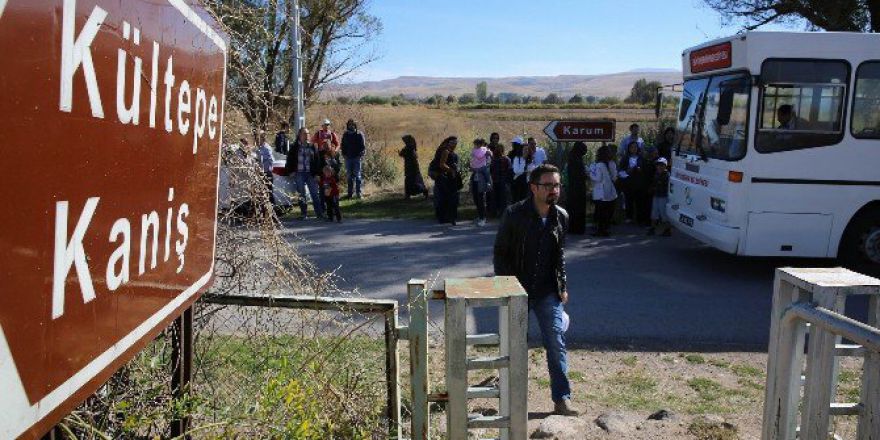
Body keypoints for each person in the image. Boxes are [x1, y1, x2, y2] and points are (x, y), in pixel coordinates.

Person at [493, 164, 579, 416]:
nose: (554, 190)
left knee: (556, 342)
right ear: (533, 188)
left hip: (547, 291)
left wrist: (562, 285)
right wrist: (507, 287)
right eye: (548, 185)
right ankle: (511, 400)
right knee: (515, 345)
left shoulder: (561, 216)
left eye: (557, 185)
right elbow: (500, 254)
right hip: (517, 291)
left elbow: (559, 255)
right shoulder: (514, 214)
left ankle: (562, 399)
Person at [285, 127, 324, 219]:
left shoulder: (313, 146)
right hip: (299, 173)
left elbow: (317, 161)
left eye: (308, 133)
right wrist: (290, 171)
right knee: (301, 195)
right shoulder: (294, 147)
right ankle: (304, 214)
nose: (307, 135)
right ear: (300, 135)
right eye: (304, 134)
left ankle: (319, 214)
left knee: (314, 194)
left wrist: (318, 174)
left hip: (311, 173)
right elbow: (289, 160)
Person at [428, 136, 461, 225]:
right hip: (445, 178)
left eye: (455, 143)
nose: (454, 144)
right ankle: (448, 217)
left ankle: (446, 217)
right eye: (452, 143)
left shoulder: (447, 151)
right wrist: (451, 170)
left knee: (444, 198)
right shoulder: (445, 151)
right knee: (448, 197)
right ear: (448, 143)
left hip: (444, 178)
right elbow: (442, 164)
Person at [589, 145, 618, 237]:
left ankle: (600, 230)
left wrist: (590, 173)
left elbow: (597, 178)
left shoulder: (599, 165)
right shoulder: (612, 163)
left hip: (600, 191)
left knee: (601, 211)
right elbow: (614, 177)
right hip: (609, 190)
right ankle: (605, 229)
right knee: (607, 211)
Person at [618, 141, 649, 225]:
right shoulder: (625, 158)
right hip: (628, 183)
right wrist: (628, 171)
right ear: (629, 148)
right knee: (629, 201)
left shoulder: (641, 158)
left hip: (639, 183)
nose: (634, 149)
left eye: (635, 147)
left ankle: (640, 219)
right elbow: (621, 170)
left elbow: (646, 170)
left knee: (640, 202)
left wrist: (640, 170)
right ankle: (629, 217)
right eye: (632, 147)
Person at [565, 142, 588, 234]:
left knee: (573, 208)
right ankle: (578, 228)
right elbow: (579, 174)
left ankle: (573, 227)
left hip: (572, 187)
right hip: (578, 187)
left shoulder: (572, 158)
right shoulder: (577, 160)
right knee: (578, 208)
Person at [340, 119, 366, 199]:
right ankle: (350, 194)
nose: (351, 126)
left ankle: (359, 193)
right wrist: (343, 154)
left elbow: (363, 146)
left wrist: (361, 155)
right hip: (348, 158)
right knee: (349, 176)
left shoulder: (359, 134)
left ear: (355, 125)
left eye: (352, 124)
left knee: (357, 175)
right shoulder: (345, 134)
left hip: (356, 158)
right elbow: (342, 145)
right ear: (347, 125)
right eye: (349, 124)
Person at [398, 134, 429, 200]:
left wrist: (401, 153)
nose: (404, 141)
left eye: (405, 140)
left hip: (411, 167)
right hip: (412, 167)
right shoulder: (410, 147)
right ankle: (411, 194)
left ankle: (420, 191)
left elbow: (402, 154)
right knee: (412, 180)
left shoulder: (409, 148)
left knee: (412, 181)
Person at [470, 138, 493, 226]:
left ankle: (483, 218)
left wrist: (487, 153)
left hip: (481, 178)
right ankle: (480, 216)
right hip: (475, 176)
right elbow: (473, 159)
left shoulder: (485, 152)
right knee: (476, 198)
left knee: (480, 199)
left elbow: (486, 164)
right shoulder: (476, 151)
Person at [489, 135, 512, 218]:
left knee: (501, 198)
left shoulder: (504, 159)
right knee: (499, 199)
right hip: (498, 181)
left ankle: (500, 214)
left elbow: (509, 171)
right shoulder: (500, 159)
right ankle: (499, 214)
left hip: (500, 181)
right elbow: (491, 170)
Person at [647, 157, 671, 236]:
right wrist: (652, 188)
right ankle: (652, 228)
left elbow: (666, 187)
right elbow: (654, 183)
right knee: (654, 212)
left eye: (662, 165)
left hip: (663, 196)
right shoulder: (656, 174)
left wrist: (656, 187)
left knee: (663, 213)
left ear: (665, 166)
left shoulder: (667, 175)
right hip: (656, 195)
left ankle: (667, 229)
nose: (659, 167)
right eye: (658, 165)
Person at [257, 132, 276, 207]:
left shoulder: (266, 148)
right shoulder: (260, 148)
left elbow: (272, 160)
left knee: (269, 192)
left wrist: (263, 161)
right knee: (262, 193)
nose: (258, 140)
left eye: (259, 138)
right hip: (261, 173)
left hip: (267, 172)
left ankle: (273, 208)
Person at [509, 137, 530, 202]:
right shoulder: (514, 156)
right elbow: (516, 170)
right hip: (516, 181)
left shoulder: (528, 158)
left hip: (524, 182)